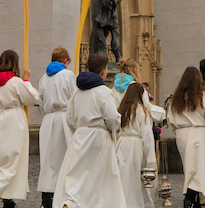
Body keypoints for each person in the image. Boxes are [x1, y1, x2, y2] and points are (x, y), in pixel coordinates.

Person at [53, 52, 126, 208]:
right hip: (98, 138)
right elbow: (113, 118)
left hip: (79, 136)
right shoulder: (103, 91)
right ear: (103, 71)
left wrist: (80, 129)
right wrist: (113, 131)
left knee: (77, 175)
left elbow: (70, 118)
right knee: (99, 179)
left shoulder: (77, 92)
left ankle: (71, 203)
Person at [0, 49, 39, 207]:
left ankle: (6, 198)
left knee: (0, 159)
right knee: (14, 159)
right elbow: (32, 98)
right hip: (13, 119)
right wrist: (26, 81)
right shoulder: (15, 81)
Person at [167, 65, 205, 207]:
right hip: (200, 134)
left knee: (190, 169)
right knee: (200, 169)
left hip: (183, 135)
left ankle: (193, 199)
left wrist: (178, 130)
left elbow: (170, 118)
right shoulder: (203, 96)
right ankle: (190, 198)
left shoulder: (176, 98)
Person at [37, 46, 77, 208]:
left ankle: (47, 198)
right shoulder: (68, 75)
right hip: (64, 119)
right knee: (66, 158)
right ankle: (66, 197)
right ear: (65, 61)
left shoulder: (43, 78)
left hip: (48, 120)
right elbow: (75, 99)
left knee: (48, 161)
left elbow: (40, 101)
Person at [116, 82, 157, 208]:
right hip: (135, 146)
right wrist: (150, 157)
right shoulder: (141, 110)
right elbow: (147, 135)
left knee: (122, 177)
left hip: (121, 144)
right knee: (135, 180)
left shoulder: (121, 109)